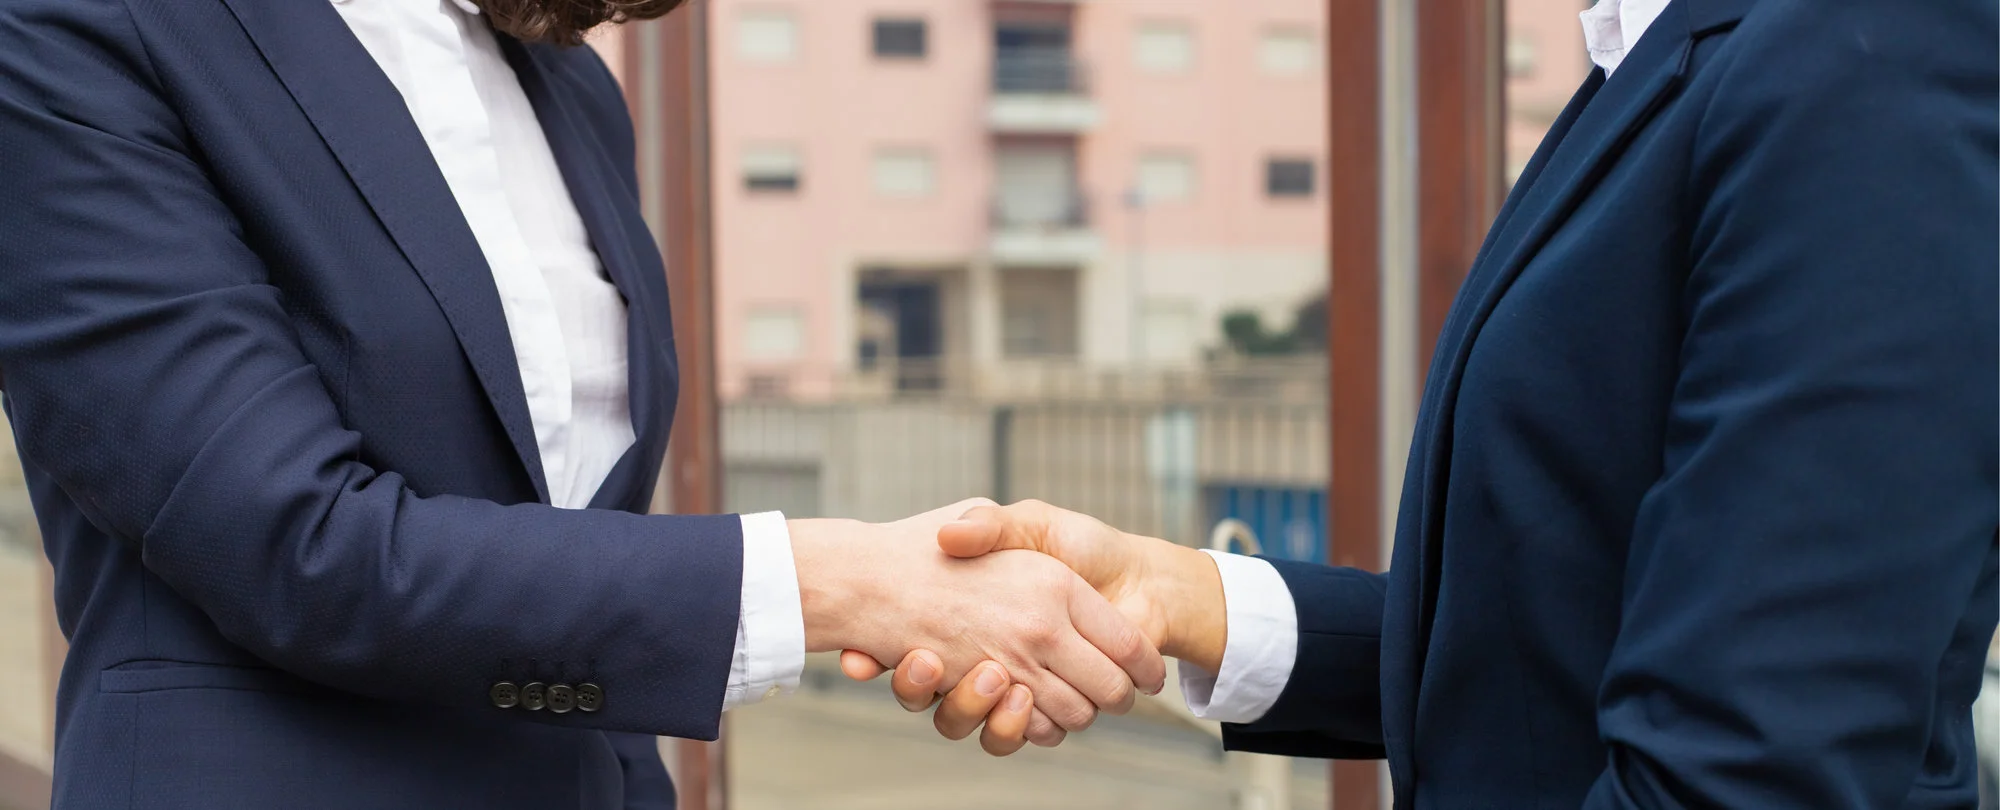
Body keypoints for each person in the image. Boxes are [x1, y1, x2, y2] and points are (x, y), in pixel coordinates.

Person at [0, 1, 1161, 807]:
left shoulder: (567, 86)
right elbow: (293, 544)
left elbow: (568, 521)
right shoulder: (73, 32)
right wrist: (843, 586)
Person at [853, 0, 2000, 806]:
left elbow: (1751, 760)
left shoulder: (1865, 52)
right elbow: (1560, 629)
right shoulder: (1667, 57)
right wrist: (1182, 598)